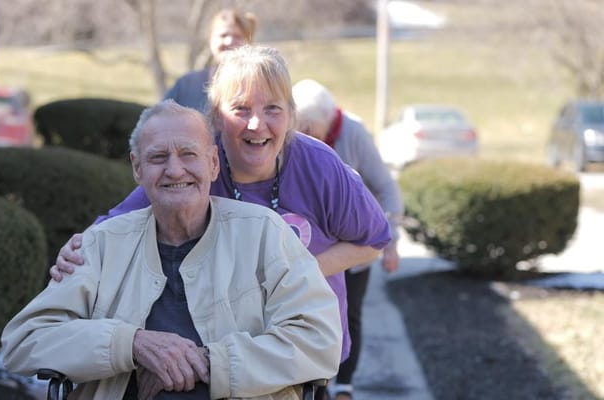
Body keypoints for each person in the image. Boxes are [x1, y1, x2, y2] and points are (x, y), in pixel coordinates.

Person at [50, 45, 392, 365]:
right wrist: (79, 251)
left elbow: (373, 241)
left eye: (272, 108)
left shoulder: (319, 166)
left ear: (290, 114)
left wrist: (289, 276)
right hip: (215, 351)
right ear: (216, 116)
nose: (256, 123)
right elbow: (122, 220)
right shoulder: (194, 164)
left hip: (298, 348)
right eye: (240, 109)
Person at [2, 100, 342, 400]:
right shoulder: (101, 244)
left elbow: (319, 340)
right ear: (137, 168)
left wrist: (207, 363)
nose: (175, 170)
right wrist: (132, 345)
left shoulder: (265, 233)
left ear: (212, 163)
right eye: (158, 157)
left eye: (188, 154)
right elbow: (25, 342)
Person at [292, 79, 405, 400]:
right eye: (301, 127)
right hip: (315, 246)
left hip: (356, 242)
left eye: (311, 128)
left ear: (327, 120)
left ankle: (345, 383)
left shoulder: (353, 133)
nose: (306, 134)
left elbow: (387, 187)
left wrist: (392, 242)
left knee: (349, 313)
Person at [163, 8, 257, 112]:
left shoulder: (258, 84)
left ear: (249, 43)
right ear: (211, 39)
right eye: (223, 35)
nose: (229, 41)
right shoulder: (187, 84)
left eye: (237, 36)